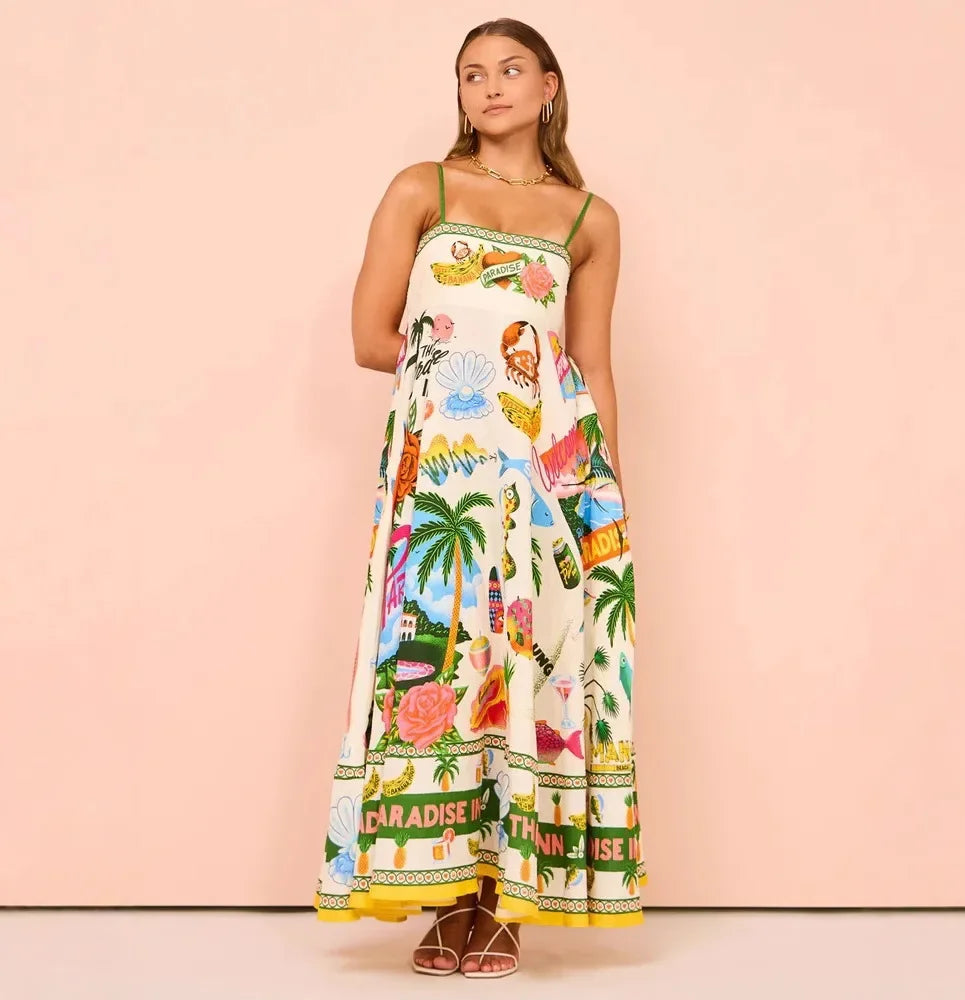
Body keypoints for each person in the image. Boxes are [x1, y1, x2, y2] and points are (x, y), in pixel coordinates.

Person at [314, 17, 645, 979]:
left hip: (546, 482)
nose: (489, 86)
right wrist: (467, 375)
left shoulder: (591, 220)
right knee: (438, 665)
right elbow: (373, 337)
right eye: (471, 74)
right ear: (459, 95)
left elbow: (592, 367)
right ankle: (446, 893)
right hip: (439, 483)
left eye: (509, 70)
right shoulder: (422, 188)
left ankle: (501, 900)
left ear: (548, 86)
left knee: (525, 667)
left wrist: (603, 502)